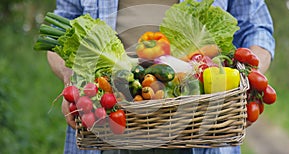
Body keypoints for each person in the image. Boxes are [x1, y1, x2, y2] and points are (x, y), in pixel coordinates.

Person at [47, 0, 275, 153]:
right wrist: (73, 81)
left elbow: (257, 27)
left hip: (203, 127)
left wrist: (248, 77)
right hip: (104, 120)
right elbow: (62, 35)